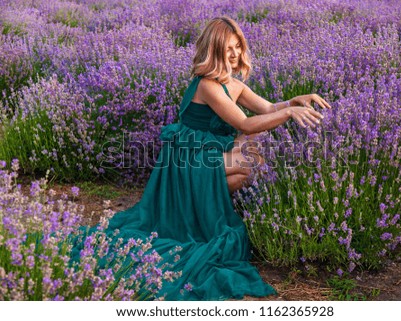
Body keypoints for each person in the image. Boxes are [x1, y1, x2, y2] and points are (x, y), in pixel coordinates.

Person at [72, 16, 331, 301]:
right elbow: (245, 125)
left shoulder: (234, 84)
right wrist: (287, 115)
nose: (234, 54)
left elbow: (268, 107)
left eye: (237, 47)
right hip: (186, 162)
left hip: (207, 154)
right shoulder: (207, 85)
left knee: (249, 165)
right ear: (213, 51)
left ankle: (198, 207)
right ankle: (195, 208)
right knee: (248, 161)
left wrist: (294, 102)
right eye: (227, 49)